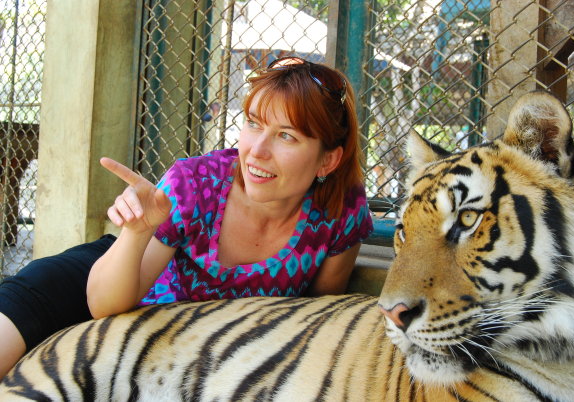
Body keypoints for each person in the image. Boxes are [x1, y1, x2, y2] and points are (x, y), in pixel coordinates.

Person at [0, 57, 373, 379]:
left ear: (328, 160)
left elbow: (316, 322)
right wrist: (137, 231)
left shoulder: (341, 212)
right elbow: (103, 305)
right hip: (115, 275)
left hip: (184, 350)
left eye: (286, 136)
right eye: (254, 123)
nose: (257, 151)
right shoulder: (195, 182)